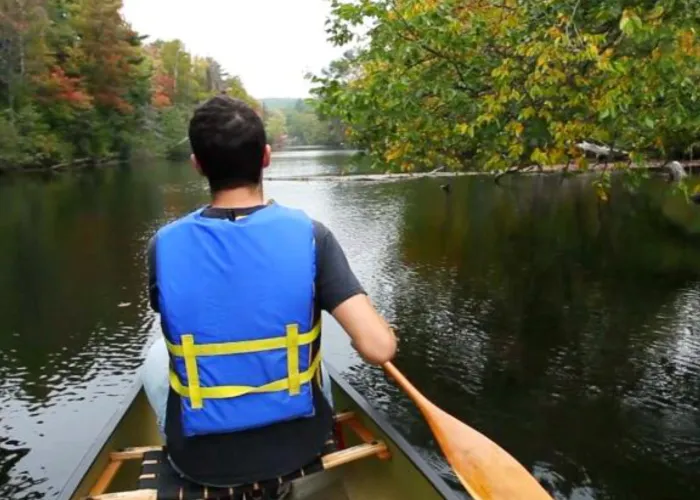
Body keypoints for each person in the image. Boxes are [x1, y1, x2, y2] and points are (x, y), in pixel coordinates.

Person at [140, 95, 397, 497]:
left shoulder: (163, 245)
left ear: (198, 164)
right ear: (266, 157)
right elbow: (378, 347)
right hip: (298, 446)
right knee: (314, 361)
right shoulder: (312, 237)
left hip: (201, 460)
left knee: (157, 355)